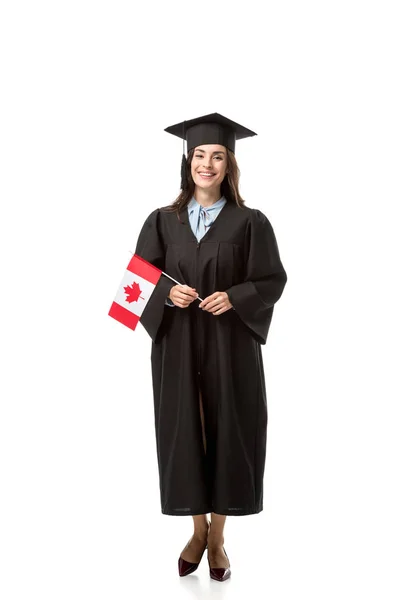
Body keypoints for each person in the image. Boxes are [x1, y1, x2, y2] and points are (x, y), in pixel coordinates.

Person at [133, 112, 288, 582]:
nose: (207, 164)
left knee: (229, 427)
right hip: (178, 344)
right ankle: (195, 529)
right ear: (188, 161)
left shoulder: (250, 222)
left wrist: (235, 296)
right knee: (186, 430)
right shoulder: (162, 220)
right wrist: (165, 291)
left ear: (229, 164)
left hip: (230, 344)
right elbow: (134, 287)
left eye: (217, 156)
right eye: (199, 155)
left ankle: (218, 535)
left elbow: (272, 279)